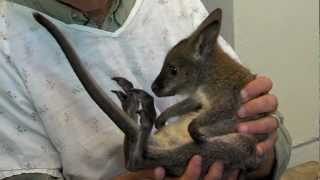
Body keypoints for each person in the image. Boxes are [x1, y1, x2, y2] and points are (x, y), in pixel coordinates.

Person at [0, 0, 291, 179]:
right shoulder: (8, 41)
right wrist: (144, 177)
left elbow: (273, 141)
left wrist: (263, 151)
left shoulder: (174, 5)